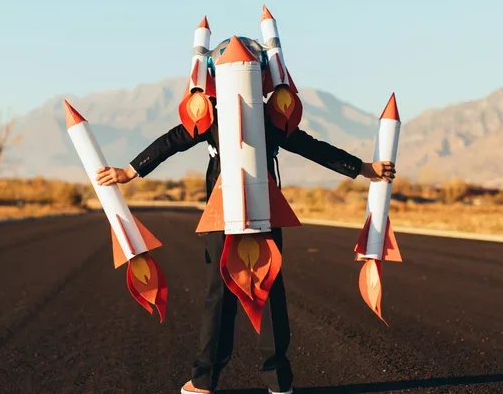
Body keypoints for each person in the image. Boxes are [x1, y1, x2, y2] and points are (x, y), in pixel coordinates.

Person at [96, 95, 395, 394]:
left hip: (228, 215)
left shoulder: (212, 112)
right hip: (259, 211)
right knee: (267, 290)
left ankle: (204, 381)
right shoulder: (266, 115)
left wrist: (130, 171)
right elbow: (308, 145)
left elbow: (175, 138)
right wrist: (362, 168)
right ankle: (278, 382)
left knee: (222, 295)